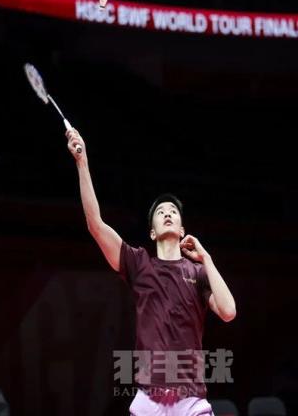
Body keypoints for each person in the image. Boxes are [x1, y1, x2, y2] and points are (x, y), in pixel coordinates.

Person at [66, 129, 237, 415]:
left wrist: (206, 258)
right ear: (152, 232)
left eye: (173, 211)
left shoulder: (197, 273)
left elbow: (229, 311)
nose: (167, 213)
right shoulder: (139, 263)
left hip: (191, 401)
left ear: (182, 229)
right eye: (160, 212)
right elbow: (95, 224)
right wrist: (81, 162)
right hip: (149, 401)